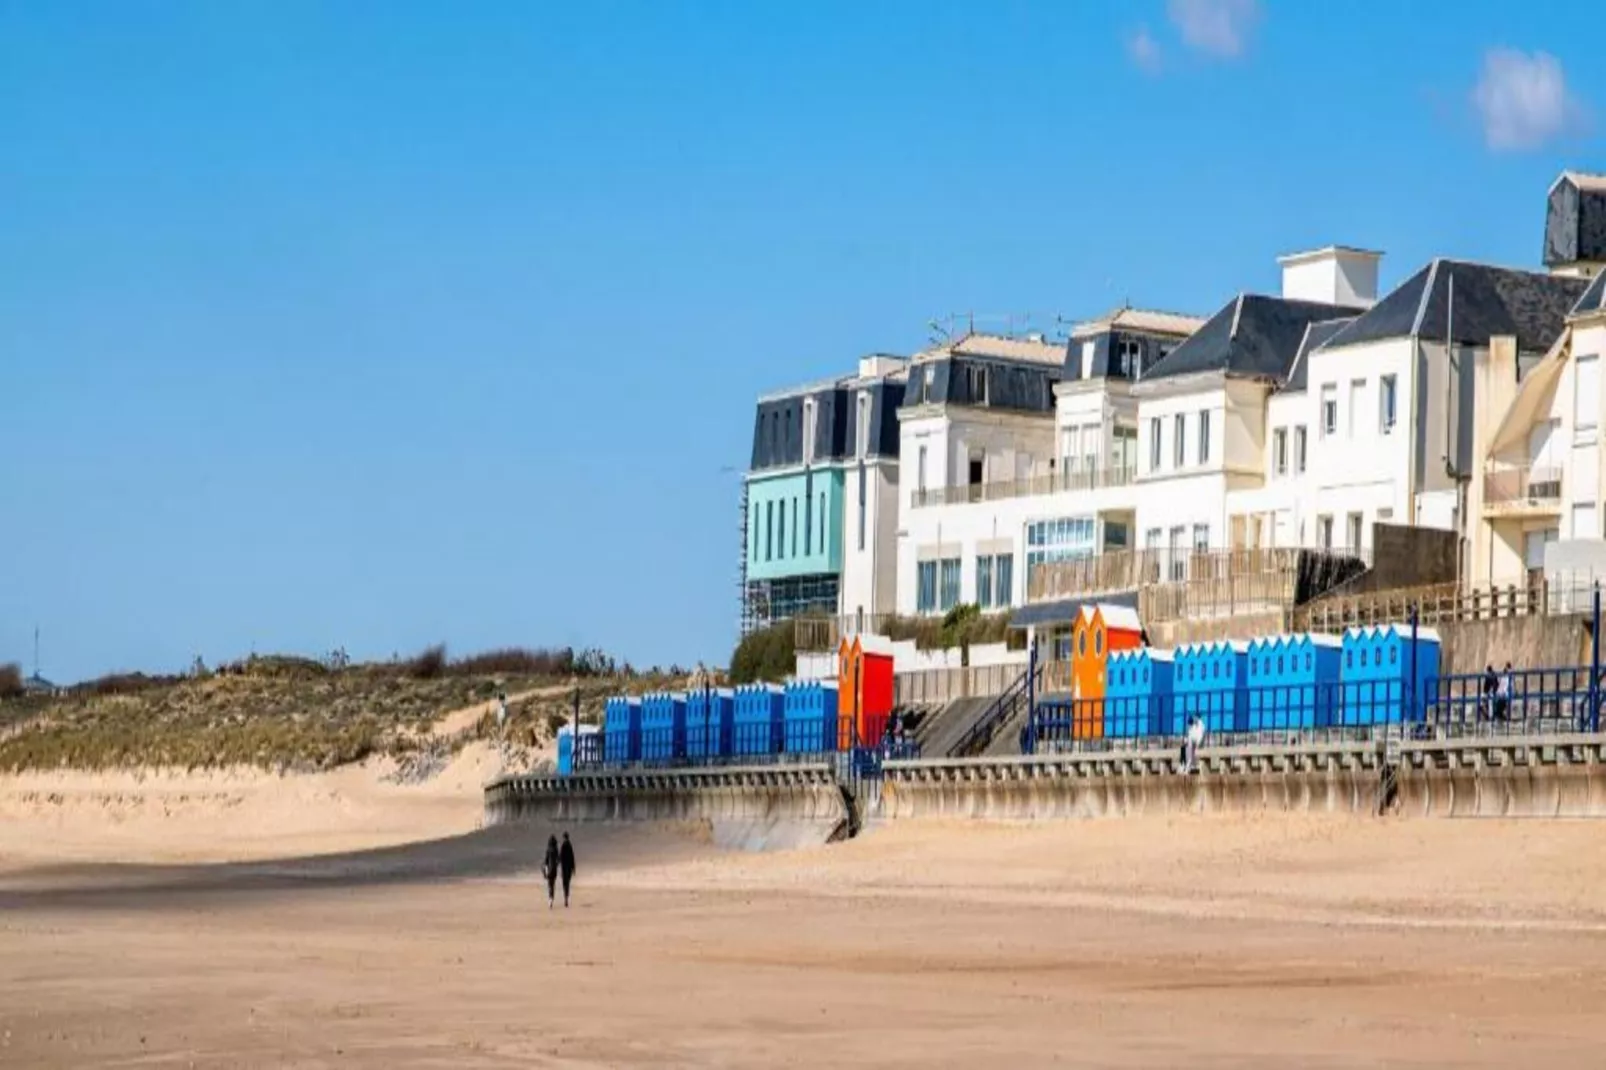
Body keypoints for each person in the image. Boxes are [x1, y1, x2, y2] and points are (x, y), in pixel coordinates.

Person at [559, 832, 577, 908]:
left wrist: (557, 864)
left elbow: (560, 857)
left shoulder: (563, 846)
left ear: (564, 837)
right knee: (568, 884)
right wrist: (573, 868)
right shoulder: (570, 845)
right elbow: (572, 858)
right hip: (569, 868)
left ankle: (565, 898)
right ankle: (566, 897)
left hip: (564, 868)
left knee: (564, 883)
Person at [542, 834, 560, 910]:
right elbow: (558, 860)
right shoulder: (556, 850)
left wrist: (544, 871)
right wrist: (556, 864)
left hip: (549, 870)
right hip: (554, 870)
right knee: (553, 885)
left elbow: (545, 861)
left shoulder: (548, 850)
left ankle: (550, 900)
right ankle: (551, 899)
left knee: (550, 885)